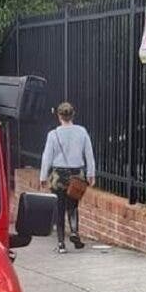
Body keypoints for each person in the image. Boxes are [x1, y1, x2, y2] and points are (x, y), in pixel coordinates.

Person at [39, 102, 96, 253]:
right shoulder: (82, 132)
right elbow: (89, 154)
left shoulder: (53, 134)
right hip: (77, 173)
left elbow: (47, 157)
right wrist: (91, 174)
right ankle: (75, 232)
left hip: (59, 174)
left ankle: (61, 244)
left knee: (59, 207)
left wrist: (43, 176)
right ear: (73, 114)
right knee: (73, 205)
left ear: (59, 116)